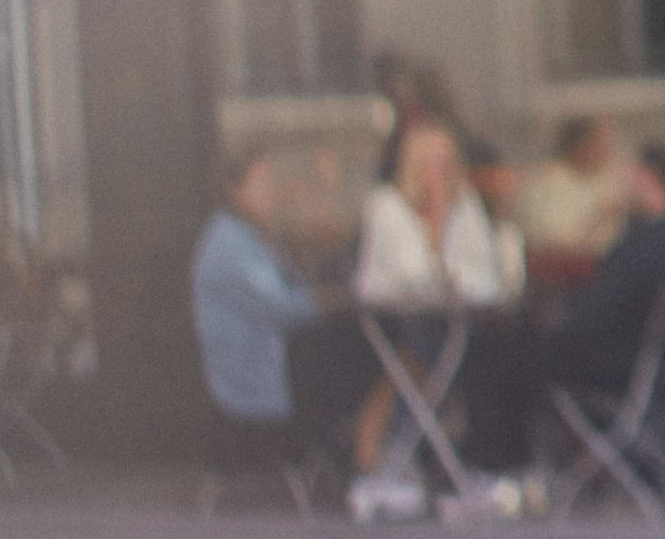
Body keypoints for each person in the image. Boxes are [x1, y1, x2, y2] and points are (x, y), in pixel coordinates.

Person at [350, 118, 531, 513]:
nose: (441, 173)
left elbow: (482, 276)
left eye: (447, 162)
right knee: (433, 355)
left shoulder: (464, 206)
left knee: (498, 350)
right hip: (393, 321)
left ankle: (475, 465)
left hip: (451, 321)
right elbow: (415, 278)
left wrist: (451, 241)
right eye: (431, 162)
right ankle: (397, 463)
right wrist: (434, 221)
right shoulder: (387, 207)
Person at [545, 144, 665, 399]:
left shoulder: (646, 246)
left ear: (649, 178)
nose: (625, 185)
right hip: (658, 380)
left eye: (631, 176)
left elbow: (598, 310)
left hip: (614, 374)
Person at [190, 148, 327, 450]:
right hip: (253, 384)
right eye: (262, 184)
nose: (272, 193)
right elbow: (281, 308)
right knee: (362, 363)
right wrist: (326, 302)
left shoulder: (253, 237)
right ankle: (374, 466)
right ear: (235, 191)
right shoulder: (229, 244)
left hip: (271, 368)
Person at [517, 115, 635, 290]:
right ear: (581, 145)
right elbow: (556, 240)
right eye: (600, 145)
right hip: (564, 281)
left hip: (611, 274)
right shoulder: (549, 183)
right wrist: (598, 216)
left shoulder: (610, 179)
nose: (606, 152)